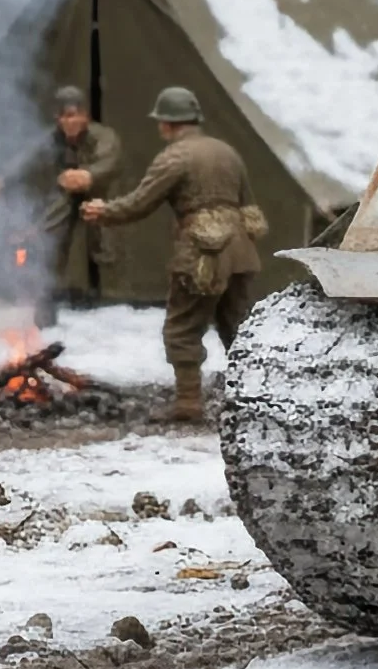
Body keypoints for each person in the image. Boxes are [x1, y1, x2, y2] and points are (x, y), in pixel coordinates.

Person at [81, 86, 262, 423]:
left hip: (202, 254)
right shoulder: (226, 151)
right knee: (238, 327)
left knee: (182, 327)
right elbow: (249, 205)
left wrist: (103, 211)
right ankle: (254, 399)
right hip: (240, 252)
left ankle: (188, 404)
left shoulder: (174, 157)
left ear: (167, 123)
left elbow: (140, 202)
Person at [0, 85, 122, 319]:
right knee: (50, 241)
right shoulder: (54, 137)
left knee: (105, 247)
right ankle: (45, 302)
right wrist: (1, 178)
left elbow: (109, 162)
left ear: (85, 115)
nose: (68, 122)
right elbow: (27, 157)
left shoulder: (103, 136)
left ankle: (111, 298)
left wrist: (88, 176)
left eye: (73, 115)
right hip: (67, 194)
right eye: (63, 117)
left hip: (101, 194)